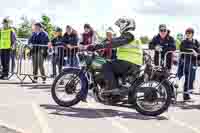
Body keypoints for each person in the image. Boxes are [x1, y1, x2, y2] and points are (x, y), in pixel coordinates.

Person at [86, 17, 141, 96]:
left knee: (106, 65)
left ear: (126, 24)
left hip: (128, 62)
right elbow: (114, 41)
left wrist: (96, 47)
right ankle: (116, 91)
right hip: (131, 62)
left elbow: (114, 43)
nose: (119, 27)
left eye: (120, 25)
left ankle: (113, 87)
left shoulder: (129, 34)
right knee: (112, 66)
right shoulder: (129, 35)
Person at [177, 28, 200, 101]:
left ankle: (186, 95)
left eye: (189, 33)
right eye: (187, 33)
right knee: (179, 77)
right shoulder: (184, 42)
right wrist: (192, 50)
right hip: (185, 62)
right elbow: (182, 49)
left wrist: (196, 53)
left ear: (192, 34)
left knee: (190, 78)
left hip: (193, 62)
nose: (188, 34)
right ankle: (173, 92)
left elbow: (198, 50)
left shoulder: (196, 41)